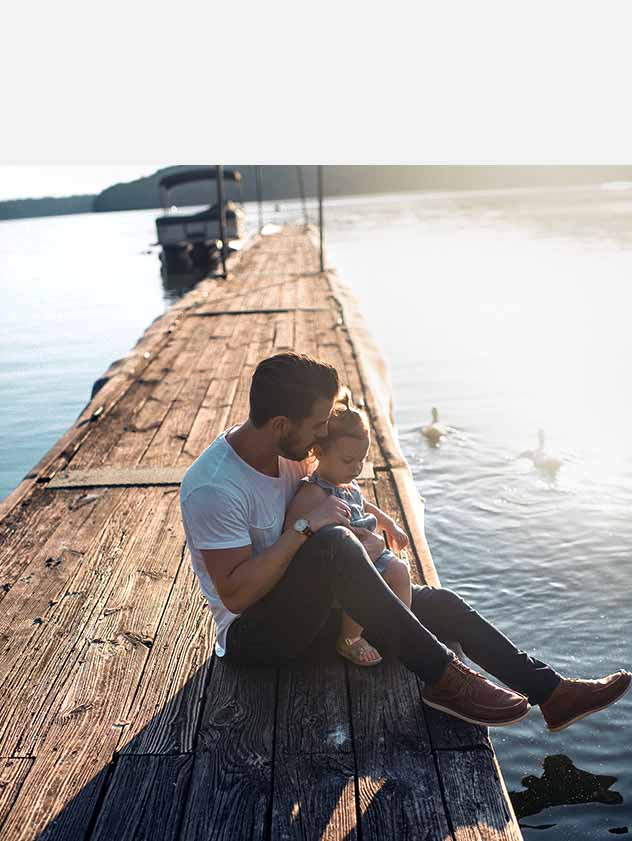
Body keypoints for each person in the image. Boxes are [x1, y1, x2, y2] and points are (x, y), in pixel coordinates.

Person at [179, 351, 631, 731]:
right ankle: (445, 680)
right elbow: (236, 596)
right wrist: (304, 530)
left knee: (442, 604)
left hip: (316, 611)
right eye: (318, 425)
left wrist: (376, 516)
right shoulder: (214, 486)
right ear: (281, 424)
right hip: (258, 637)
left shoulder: (290, 454)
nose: (323, 435)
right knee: (334, 543)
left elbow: (334, 494)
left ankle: (552, 693)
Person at [284, 388, 412, 667]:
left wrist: (389, 524)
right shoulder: (313, 493)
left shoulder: (347, 483)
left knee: (400, 572)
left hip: (370, 549)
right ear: (318, 451)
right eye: (347, 460)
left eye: (361, 461)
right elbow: (293, 532)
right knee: (360, 583)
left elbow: (366, 506)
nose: (356, 468)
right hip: (346, 562)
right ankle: (349, 638)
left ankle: (400, 629)